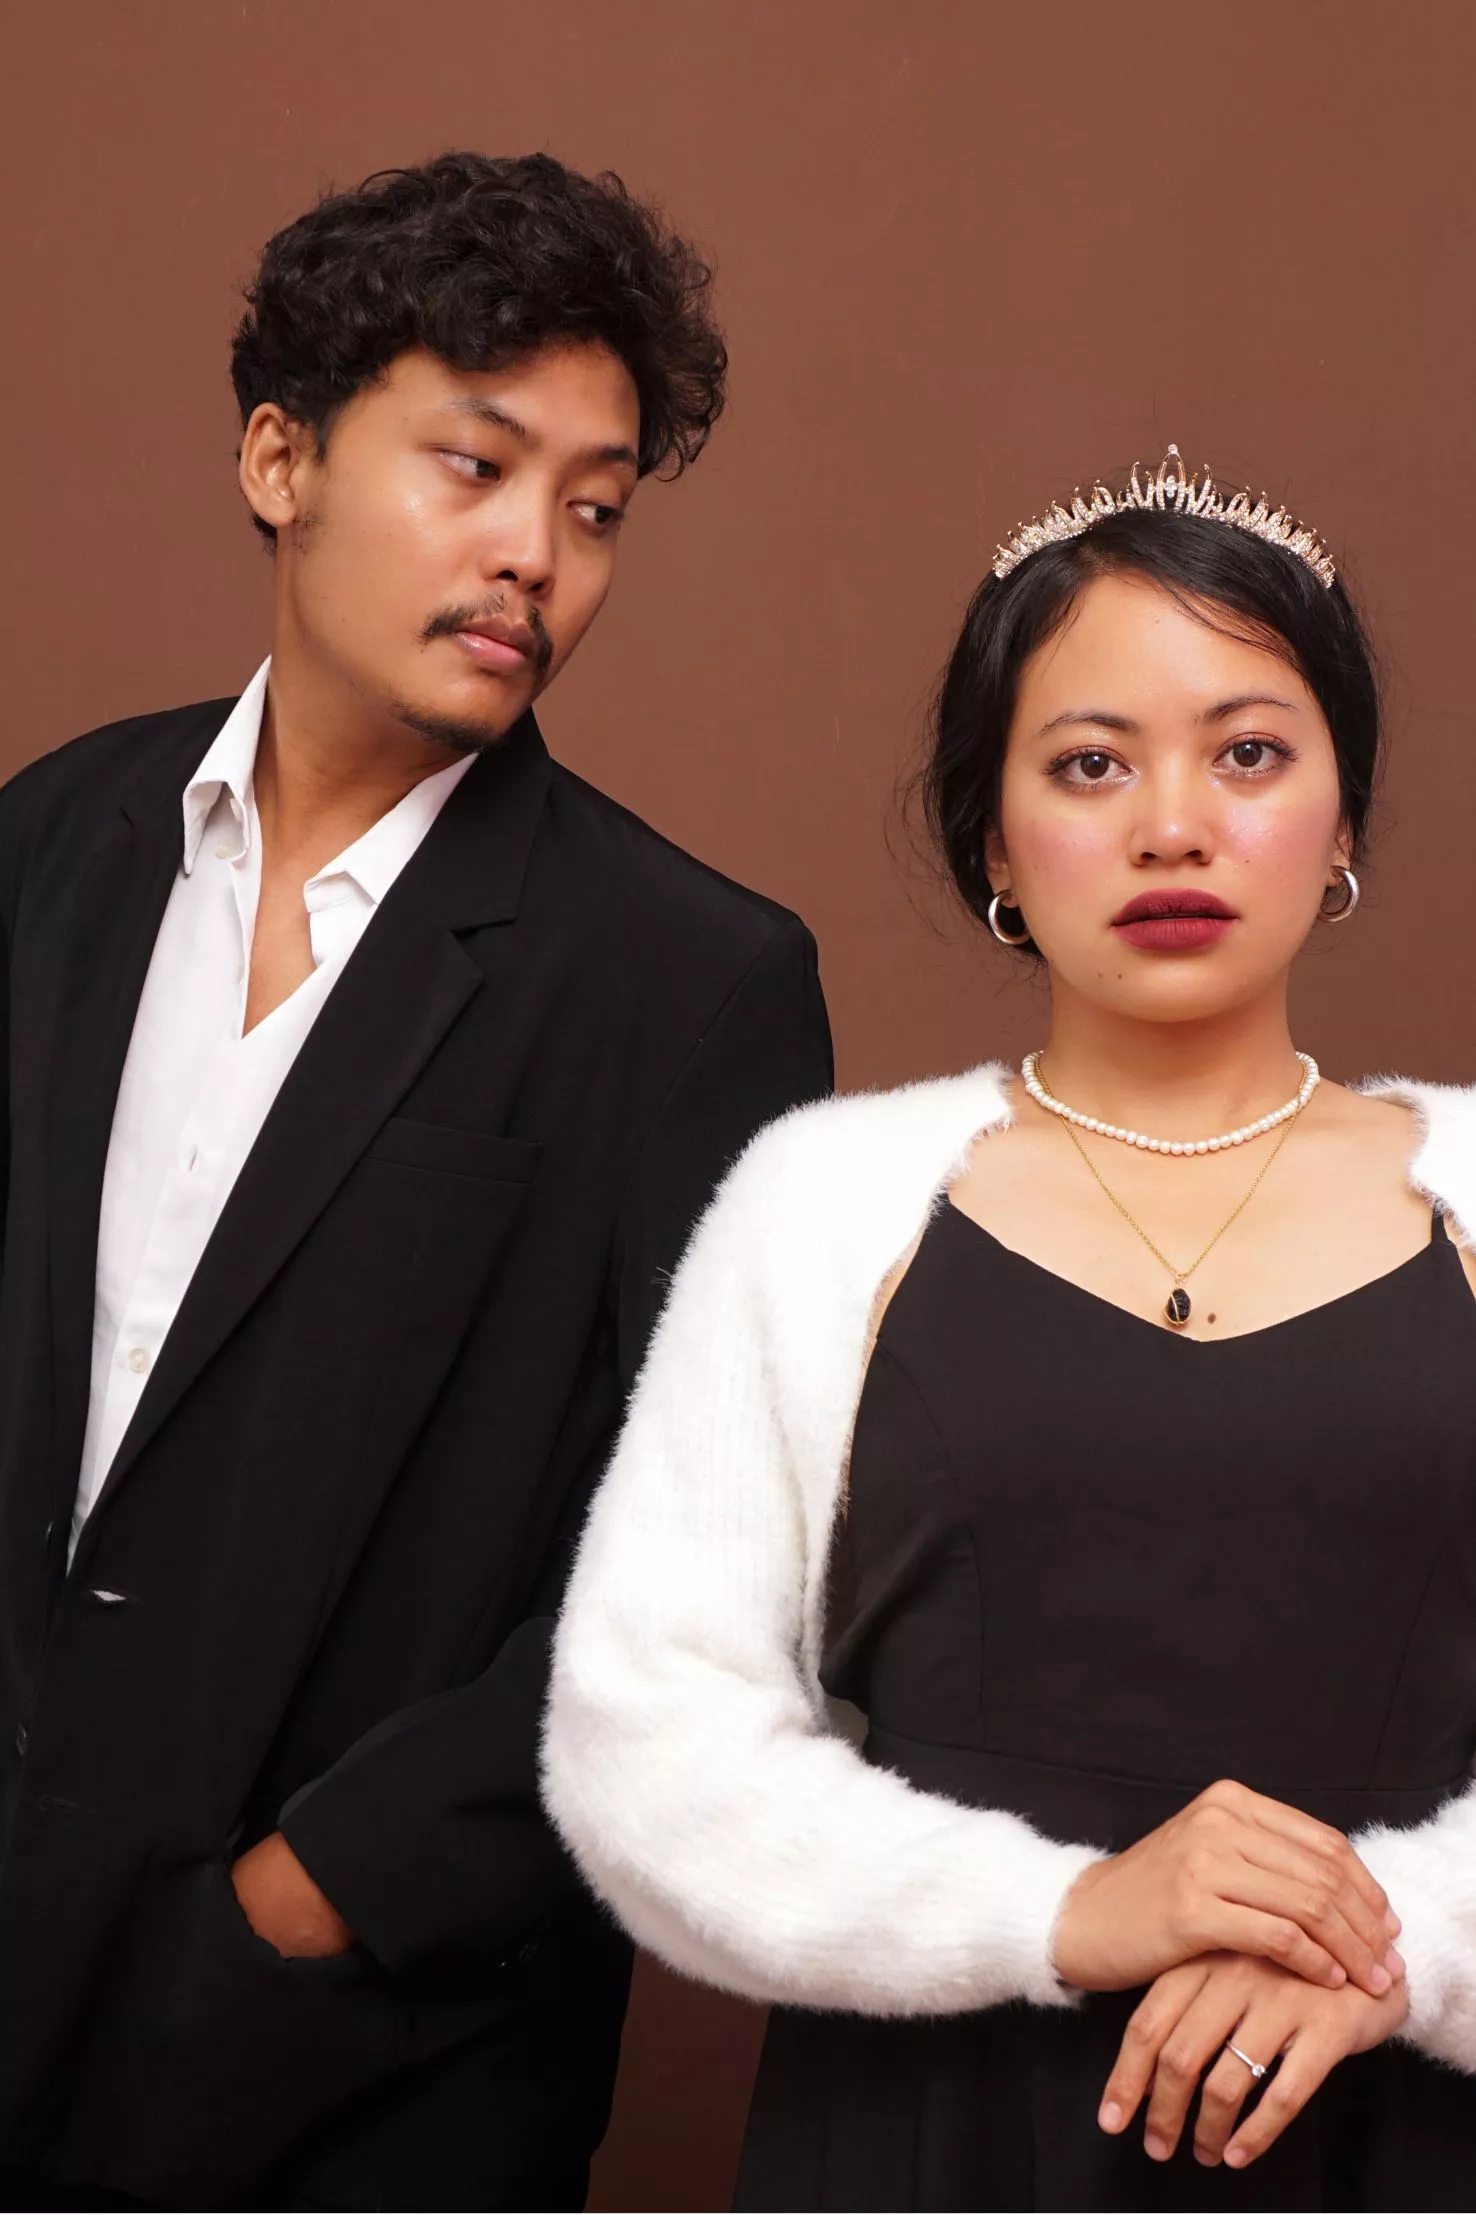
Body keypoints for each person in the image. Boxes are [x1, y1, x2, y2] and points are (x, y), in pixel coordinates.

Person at [0, 151, 832, 2213]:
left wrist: (314, 1903)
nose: (535, 554)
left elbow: (722, 1577)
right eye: (475, 465)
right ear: (280, 458)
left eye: (596, 507)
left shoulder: (692, 985)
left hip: (359, 2058)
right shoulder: (50, 845)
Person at [545, 448, 1476, 2209]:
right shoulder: (823, 1201)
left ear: (1345, 818)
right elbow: (643, 1733)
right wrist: (1066, 1909)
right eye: (1090, 763)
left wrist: (1399, 1948)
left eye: (1249, 753)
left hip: (1398, 2135)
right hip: (930, 2135)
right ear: (993, 838)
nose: (1172, 825)